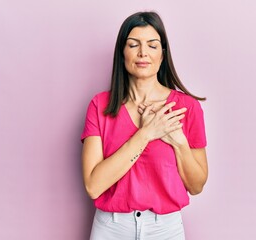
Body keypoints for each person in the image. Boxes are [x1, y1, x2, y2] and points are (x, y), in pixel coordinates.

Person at [81, 11, 208, 240]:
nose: (143, 53)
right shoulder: (100, 105)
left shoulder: (186, 108)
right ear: (122, 52)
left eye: (152, 45)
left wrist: (178, 141)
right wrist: (147, 133)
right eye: (133, 44)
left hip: (165, 228)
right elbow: (93, 185)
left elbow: (196, 185)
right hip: (111, 227)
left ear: (162, 54)